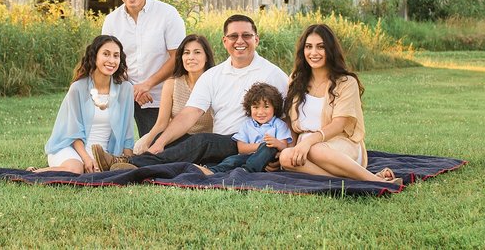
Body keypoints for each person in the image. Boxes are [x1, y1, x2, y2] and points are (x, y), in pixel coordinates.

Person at [93, 14, 289, 170]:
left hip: (248, 143)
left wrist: (281, 153)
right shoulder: (214, 75)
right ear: (224, 41)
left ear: (256, 39)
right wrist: (160, 143)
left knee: (202, 141)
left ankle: (131, 164)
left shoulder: (273, 74)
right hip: (221, 144)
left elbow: (287, 118)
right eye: (233, 36)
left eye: (246, 35)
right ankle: (127, 163)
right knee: (173, 143)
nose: (240, 41)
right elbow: (189, 114)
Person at [278, 24, 401, 185]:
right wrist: (294, 146)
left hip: (339, 145)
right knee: (286, 157)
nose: (313, 53)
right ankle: (357, 179)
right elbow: (291, 120)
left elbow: (339, 124)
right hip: (305, 146)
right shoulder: (296, 78)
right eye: (308, 47)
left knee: (316, 149)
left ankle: (376, 182)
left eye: (320, 47)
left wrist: (308, 142)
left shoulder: (346, 82)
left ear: (330, 50)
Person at [28, 35, 134, 174]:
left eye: (116, 56)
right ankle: (36, 172)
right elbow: (73, 131)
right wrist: (86, 159)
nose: (111, 60)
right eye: (106, 54)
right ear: (94, 56)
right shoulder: (78, 88)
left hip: (103, 154)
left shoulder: (125, 89)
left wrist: (128, 160)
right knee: (76, 169)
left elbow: (127, 132)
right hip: (71, 148)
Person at [101, 0, 186, 137]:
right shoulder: (111, 20)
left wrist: (146, 85)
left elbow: (177, 56)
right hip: (123, 92)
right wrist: (131, 88)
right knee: (111, 145)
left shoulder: (168, 14)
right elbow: (108, 61)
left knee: (155, 150)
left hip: (159, 97)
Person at [132, 34, 216, 154]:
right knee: (139, 147)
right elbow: (161, 123)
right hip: (175, 138)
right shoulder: (172, 83)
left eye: (197, 52)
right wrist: (147, 146)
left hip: (203, 142)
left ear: (206, 57)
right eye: (186, 53)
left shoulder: (215, 82)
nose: (191, 57)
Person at [199, 82, 292, 174]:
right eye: (255, 107)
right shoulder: (247, 125)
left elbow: (285, 148)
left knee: (269, 147)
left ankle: (246, 171)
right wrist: (261, 146)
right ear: (249, 108)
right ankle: (212, 171)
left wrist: (276, 143)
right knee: (233, 160)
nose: (260, 112)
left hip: (268, 160)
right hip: (248, 157)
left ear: (275, 107)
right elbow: (241, 148)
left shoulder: (279, 125)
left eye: (266, 107)